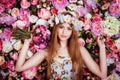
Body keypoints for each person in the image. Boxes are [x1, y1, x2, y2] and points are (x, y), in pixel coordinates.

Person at [15, 12, 107, 80]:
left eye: (68, 29)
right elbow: (19, 67)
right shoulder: (48, 51)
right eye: (61, 27)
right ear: (56, 29)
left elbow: (102, 74)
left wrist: (102, 47)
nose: (64, 32)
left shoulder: (80, 50)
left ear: (72, 32)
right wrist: (27, 43)